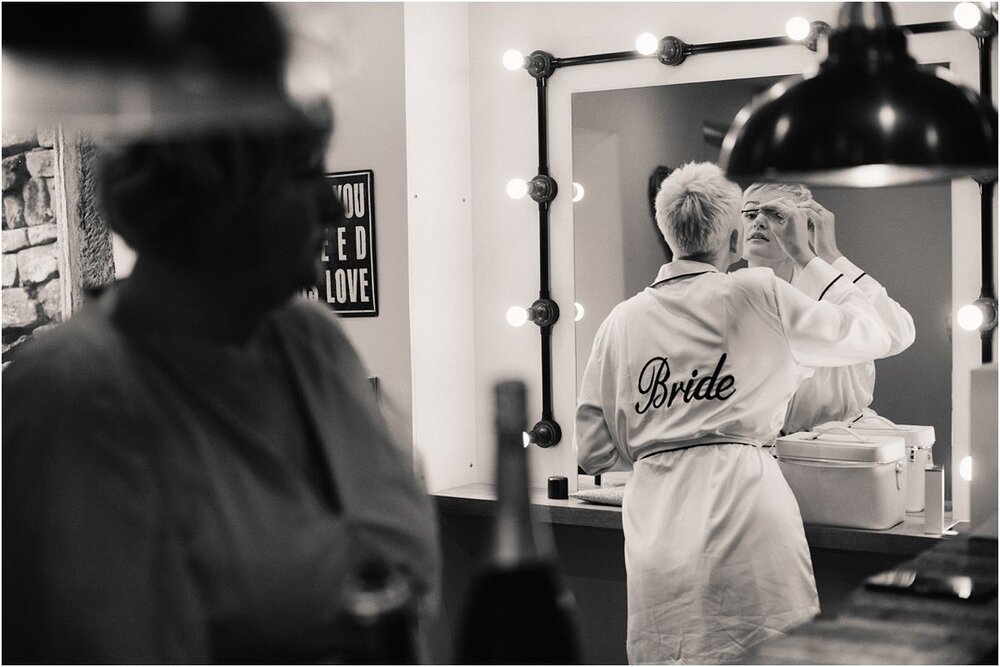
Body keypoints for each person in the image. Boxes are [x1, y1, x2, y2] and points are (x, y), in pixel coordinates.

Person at [1, 73, 440, 667]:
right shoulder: (72, 394)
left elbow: (397, 575)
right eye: (306, 176)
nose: (333, 208)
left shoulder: (312, 340)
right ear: (221, 199)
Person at [575, 162, 892, 664]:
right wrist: (819, 256)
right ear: (732, 234)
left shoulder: (621, 320)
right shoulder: (758, 294)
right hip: (749, 513)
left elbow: (592, 453)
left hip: (656, 526)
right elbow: (881, 333)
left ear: (666, 228)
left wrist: (666, 441)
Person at [740, 182, 916, 434]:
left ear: (804, 225)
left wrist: (829, 255)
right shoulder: (728, 294)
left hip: (840, 444)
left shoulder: (833, 289)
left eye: (774, 214)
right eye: (749, 213)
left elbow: (899, 333)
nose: (758, 221)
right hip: (761, 452)